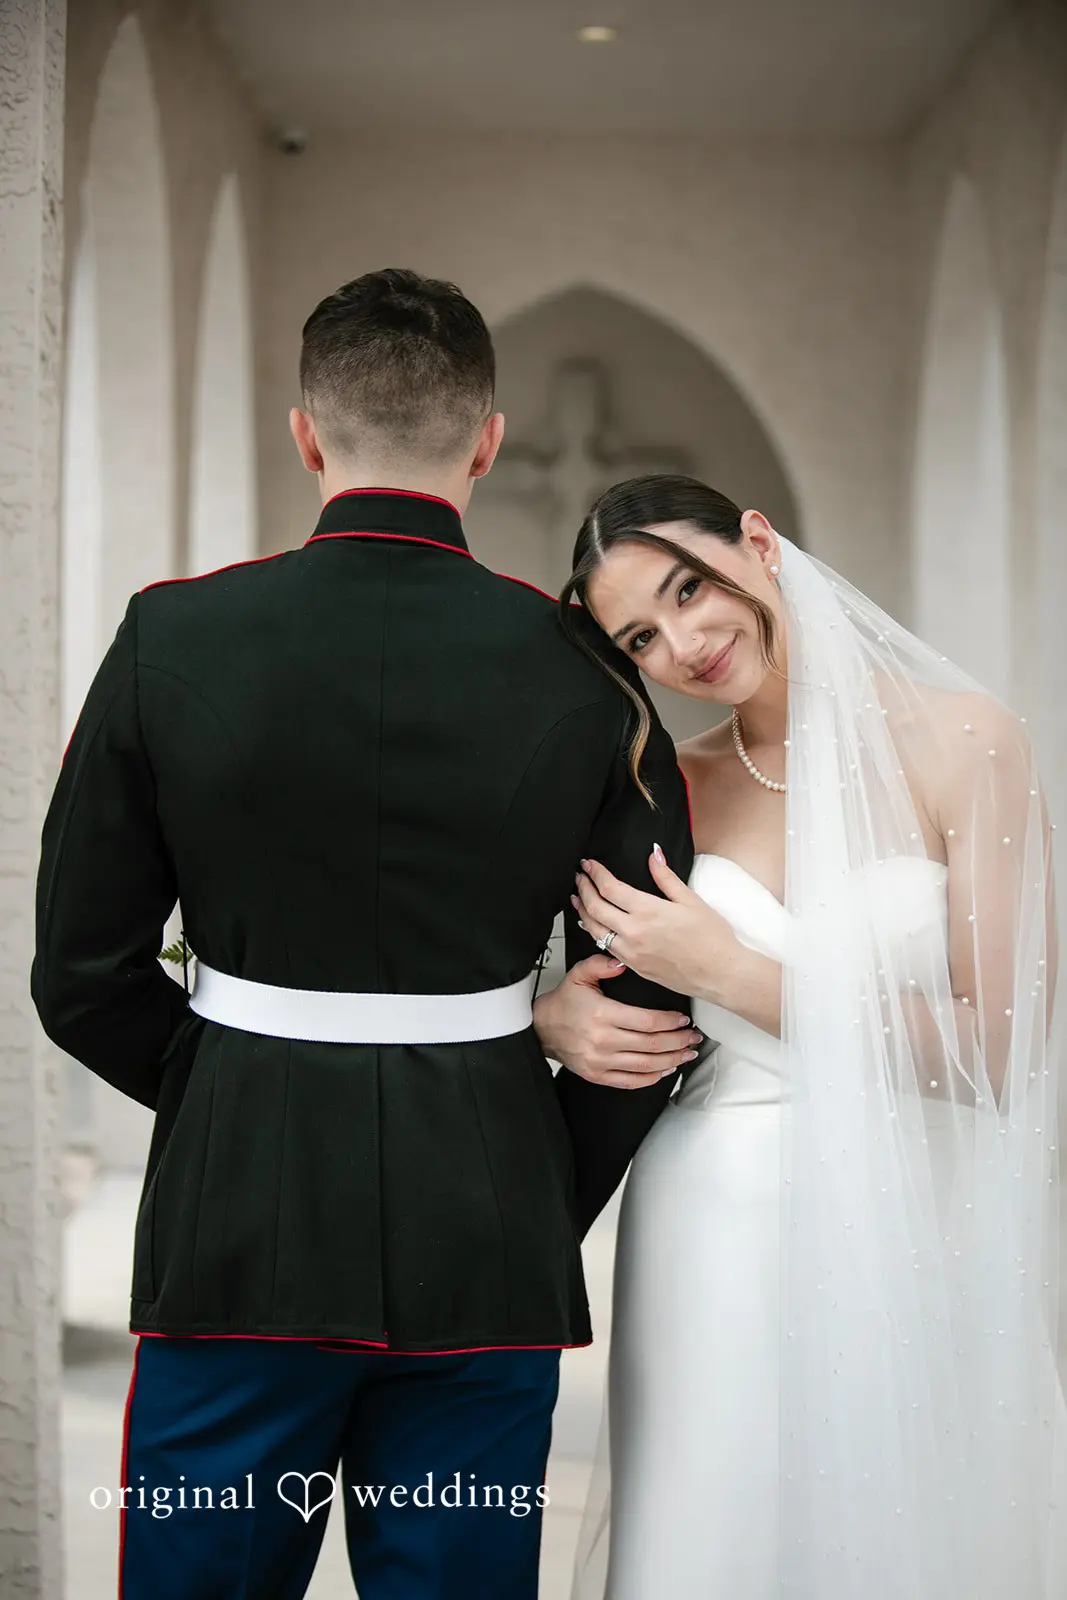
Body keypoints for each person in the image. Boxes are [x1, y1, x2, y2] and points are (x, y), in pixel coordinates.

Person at [30, 271, 698, 1600]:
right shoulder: (586, 671)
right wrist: (527, 1175)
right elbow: (653, 992)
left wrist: (240, 1095)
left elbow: (81, 976)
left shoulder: (174, 637)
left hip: (236, 1239)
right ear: (488, 440)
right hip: (486, 1244)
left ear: (306, 433)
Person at [531, 474, 1067, 1599]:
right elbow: (527, 958)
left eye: (689, 587)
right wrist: (552, 1016)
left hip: (923, 1204)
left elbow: (1001, 1044)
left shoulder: (966, 742)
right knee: (708, 1535)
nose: (684, 641)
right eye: (641, 633)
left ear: (758, 543)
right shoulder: (663, 787)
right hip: (710, 1219)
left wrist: (728, 968)